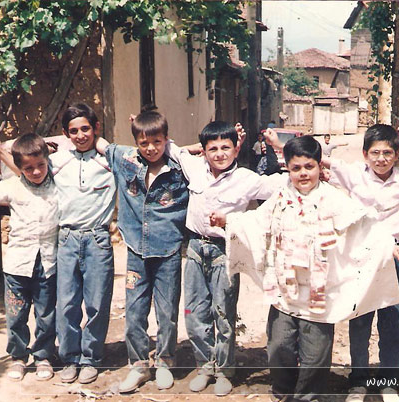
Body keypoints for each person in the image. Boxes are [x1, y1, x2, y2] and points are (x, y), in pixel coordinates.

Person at [210, 135, 399, 401]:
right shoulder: (281, 198)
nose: (303, 173)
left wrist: (389, 246)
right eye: (296, 168)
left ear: (319, 167)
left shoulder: (333, 199)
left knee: (316, 353)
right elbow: (256, 221)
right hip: (285, 289)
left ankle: (308, 396)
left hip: (318, 292)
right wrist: (228, 221)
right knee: (279, 345)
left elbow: (365, 225)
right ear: (288, 169)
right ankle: (283, 392)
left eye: (309, 167)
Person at [166, 121, 284, 396]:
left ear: (236, 149)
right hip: (195, 249)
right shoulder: (195, 168)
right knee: (194, 313)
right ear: (204, 151)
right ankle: (205, 366)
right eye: (213, 149)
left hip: (224, 252)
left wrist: (279, 148)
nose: (219, 154)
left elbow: (281, 185)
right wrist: (195, 148)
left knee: (223, 314)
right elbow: (171, 148)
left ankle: (224, 371)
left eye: (225, 147)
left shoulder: (246, 179)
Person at [322, 124, 399, 402]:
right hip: (360, 257)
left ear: (396, 155)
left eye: (387, 153)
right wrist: (280, 145)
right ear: (365, 154)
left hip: (392, 258)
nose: (381, 159)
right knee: (360, 322)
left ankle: (389, 383)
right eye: (375, 153)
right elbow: (324, 161)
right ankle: (359, 381)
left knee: (391, 323)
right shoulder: (354, 175)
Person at [97, 110, 189, 393]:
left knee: (167, 311)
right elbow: (100, 143)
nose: (150, 148)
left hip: (168, 251)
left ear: (166, 140)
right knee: (135, 312)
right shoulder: (126, 161)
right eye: (143, 143)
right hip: (136, 250)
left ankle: (165, 362)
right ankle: (138, 365)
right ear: (135, 142)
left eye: (157, 142)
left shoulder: (180, 168)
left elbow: (199, 154)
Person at [47, 103, 117, 385]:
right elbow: (23, 156)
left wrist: (103, 144)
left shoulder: (109, 161)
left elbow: (143, 153)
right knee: (67, 303)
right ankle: (70, 358)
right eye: (73, 131)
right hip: (66, 239)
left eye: (85, 128)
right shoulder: (56, 161)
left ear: (96, 128)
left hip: (97, 239)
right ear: (66, 133)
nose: (80, 135)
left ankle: (91, 358)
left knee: (97, 303)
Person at [0, 133, 58, 382]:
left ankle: (44, 355)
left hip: (48, 262)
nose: (35, 172)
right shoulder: (11, 187)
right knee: (16, 314)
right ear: (18, 168)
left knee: (46, 313)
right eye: (28, 168)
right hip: (17, 264)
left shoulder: (57, 185)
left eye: (40, 165)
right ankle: (18, 356)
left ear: (47, 160)